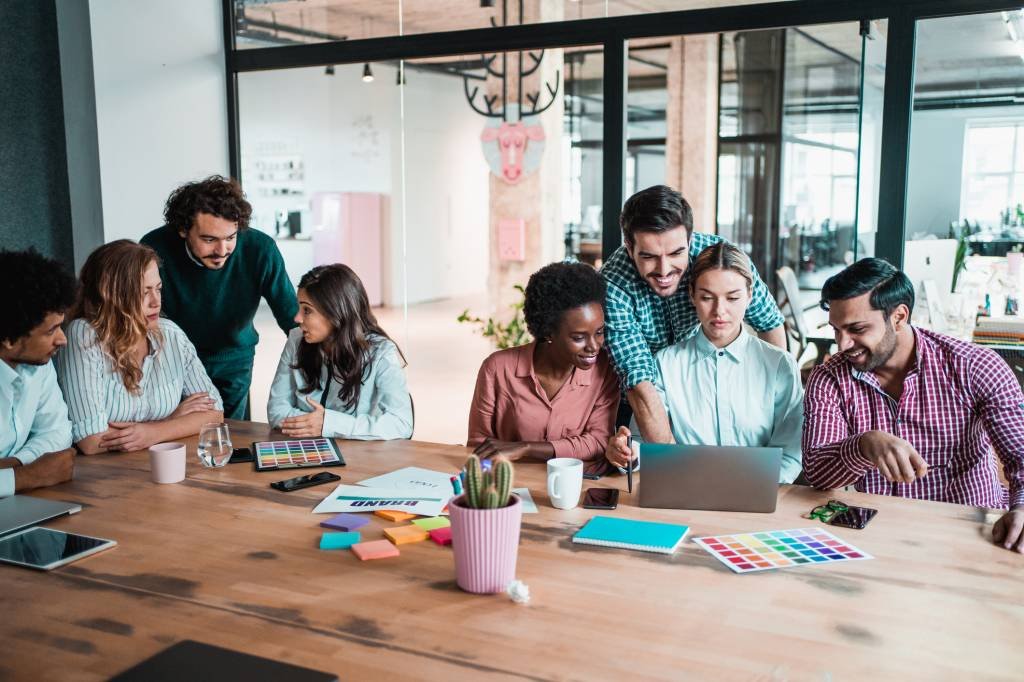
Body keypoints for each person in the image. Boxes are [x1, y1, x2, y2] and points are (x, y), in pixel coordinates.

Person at [803, 257, 1024, 553]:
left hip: (968, 536)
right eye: (836, 329)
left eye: (856, 329)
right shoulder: (829, 377)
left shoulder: (975, 366)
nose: (842, 344)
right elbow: (817, 473)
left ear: (899, 317)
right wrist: (863, 445)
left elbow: (1020, 455)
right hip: (877, 538)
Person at [601, 185, 786, 444]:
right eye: (650, 257)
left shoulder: (718, 257)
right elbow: (639, 381)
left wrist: (766, 397)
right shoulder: (614, 285)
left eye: (676, 253)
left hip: (701, 386)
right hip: (639, 399)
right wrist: (675, 467)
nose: (664, 270)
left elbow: (770, 323)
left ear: (689, 240)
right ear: (630, 249)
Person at [605, 242, 803, 483]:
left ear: (750, 295)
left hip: (759, 499)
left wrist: (750, 487)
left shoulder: (779, 364)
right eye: (707, 297)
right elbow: (643, 445)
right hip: (683, 494)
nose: (720, 311)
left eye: (732, 298)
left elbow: (790, 455)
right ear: (692, 295)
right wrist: (627, 453)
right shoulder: (665, 364)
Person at [140, 176, 298, 419]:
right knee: (182, 429)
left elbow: (291, 314)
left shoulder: (260, 249)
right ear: (183, 229)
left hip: (233, 357)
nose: (222, 251)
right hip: (174, 356)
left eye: (230, 238)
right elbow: (139, 310)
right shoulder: (154, 247)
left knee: (230, 433)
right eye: (209, 239)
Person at [55, 241, 224, 455]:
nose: (156, 302)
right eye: (143, 292)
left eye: (158, 289)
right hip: (104, 478)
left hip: (161, 465)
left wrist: (152, 433)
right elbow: (92, 440)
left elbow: (215, 413)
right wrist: (173, 421)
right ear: (114, 295)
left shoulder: (171, 334)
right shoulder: (84, 334)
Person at [468, 262, 620, 462]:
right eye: (578, 337)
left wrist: (526, 448)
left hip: (579, 486)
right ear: (548, 332)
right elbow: (478, 444)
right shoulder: (497, 369)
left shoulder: (606, 370)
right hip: (512, 483)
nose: (594, 346)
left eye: (599, 332)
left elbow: (599, 442)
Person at [267, 264, 413, 440]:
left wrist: (329, 424)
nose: (297, 318)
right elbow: (276, 410)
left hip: (360, 458)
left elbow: (401, 423)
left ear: (335, 312)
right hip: (306, 450)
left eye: (307, 310)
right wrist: (314, 425)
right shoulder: (296, 339)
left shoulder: (382, 353)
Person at [0, 250, 77, 496]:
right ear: (8, 339)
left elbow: (58, 432)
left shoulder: (38, 364)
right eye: (50, 331)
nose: (63, 340)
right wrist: (28, 476)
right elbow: (43, 470)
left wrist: (16, 463)